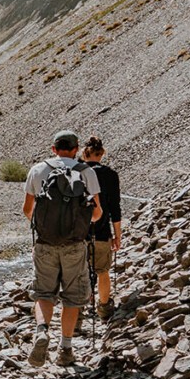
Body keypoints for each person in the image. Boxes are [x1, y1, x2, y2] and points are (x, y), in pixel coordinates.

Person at [22, 131, 102, 367]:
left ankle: (42, 331)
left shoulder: (37, 170)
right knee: (72, 295)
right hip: (75, 245)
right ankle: (65, 349)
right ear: (77, 149)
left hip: (45, 243)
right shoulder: (86, 172)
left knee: (44, 292)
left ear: (53, 148)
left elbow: (28, 209)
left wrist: (44, 228)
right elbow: (97, 213)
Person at [81, 136, 122, 320]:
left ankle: (78, 314)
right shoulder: (111, 175)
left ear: (84, 153)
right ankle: (104, 310)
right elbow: (115, 208)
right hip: (102, 231)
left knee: (78, 272)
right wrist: (117, 235)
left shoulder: (75, 172)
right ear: (102, 154)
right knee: (103, 271)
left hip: (78, 233)